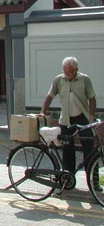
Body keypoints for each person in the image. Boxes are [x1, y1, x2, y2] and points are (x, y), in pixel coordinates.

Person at [39, 56, 100, 191]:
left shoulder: (85, 80)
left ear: (76, 69)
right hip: (66, 120)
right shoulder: (59, 80)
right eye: (65, 72)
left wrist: (91, 116)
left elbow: (92, 99)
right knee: (67, 150)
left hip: (82, 118)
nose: (67, 74)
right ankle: (68, 179)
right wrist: (43, 111)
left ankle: (94, 182)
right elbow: (49, 96)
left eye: (70, 72)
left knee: (89, 149)